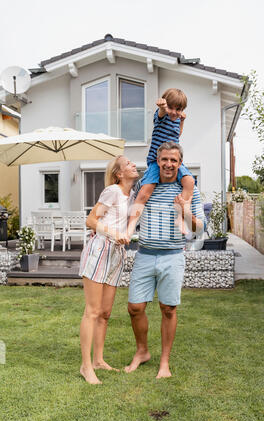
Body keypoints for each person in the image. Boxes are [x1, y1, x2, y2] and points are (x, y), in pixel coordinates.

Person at [125, 142, 205, 379]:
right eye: (164, 160)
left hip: (172, 256)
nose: (169, 164)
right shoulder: (145, 186)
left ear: (180, 164)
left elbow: (199, 229)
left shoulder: (189, 190)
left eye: (174, 160)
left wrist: (185, 210)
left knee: (168, 309)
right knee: (135, 307)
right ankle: (142, 352)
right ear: (157, 162)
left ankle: (164, 363)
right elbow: (129, 208)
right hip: (145, 255)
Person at [79, 156, 138, 384]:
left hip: (116, 254)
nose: (133, 165)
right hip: (100, 250)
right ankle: (86, 366)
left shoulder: (130, 195)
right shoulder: (112, 191)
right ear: (118, 174)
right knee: (92, 311)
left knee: (105, 313)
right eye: (128, 164)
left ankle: (98, 360)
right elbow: (90, 220)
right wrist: (114, 234)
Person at [127, 88, 195, 237]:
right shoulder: (161, 117)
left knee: (189, 180)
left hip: (174, 160)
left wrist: (182, 121)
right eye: (172, 108)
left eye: (179, 109)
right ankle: (131, 226)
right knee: (145, 192)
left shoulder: (177, 119)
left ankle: (181, 218)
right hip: (155, 162)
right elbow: (162, 112)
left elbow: (178, 133)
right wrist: (163, 107)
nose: (174, 112)